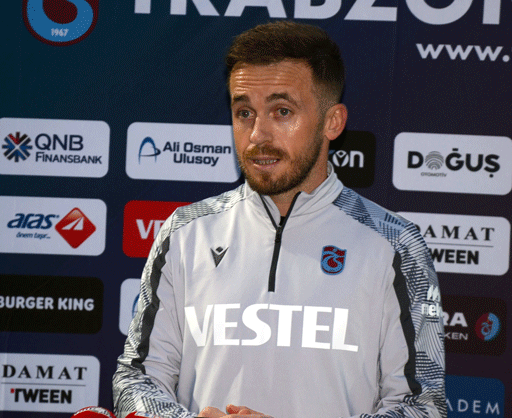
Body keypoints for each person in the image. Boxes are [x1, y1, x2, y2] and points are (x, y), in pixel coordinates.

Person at [113, 21, 446, 418]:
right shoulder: (186, 232)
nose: (257, 135)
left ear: (333, 122)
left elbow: (422, 406)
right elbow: (137, 379)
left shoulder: (395, 244)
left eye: (282, 111)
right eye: (244, 112)